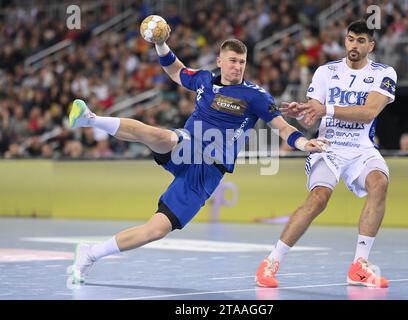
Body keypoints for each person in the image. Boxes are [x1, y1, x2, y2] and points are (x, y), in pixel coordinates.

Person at [67, 30, 328, 284]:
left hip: (208, 173)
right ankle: (90, 119)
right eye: (233, 61)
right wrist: (161, 44)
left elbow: (282, 127)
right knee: (164, 137)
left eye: (242, 62)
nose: (237, 67)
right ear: (220, 62)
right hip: (189, 146)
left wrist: (304, 143)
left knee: (156, 230)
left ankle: (91, 253)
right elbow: (175, 70)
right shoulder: (204, 79)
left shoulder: (255, 96)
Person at [255, 20, 397, 288]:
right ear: (345, 41)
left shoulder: (384, 73)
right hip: (328, 146)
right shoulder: (325, 71)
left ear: (371, 45)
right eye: (351, 39)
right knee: (318, 198)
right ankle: (270, 262)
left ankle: (359, 266)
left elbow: (368, 112)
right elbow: (314, 114)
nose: (354, 45)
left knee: (379, 183)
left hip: (361, 148)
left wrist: (325, 110)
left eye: (361, 41)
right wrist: (304, 111)